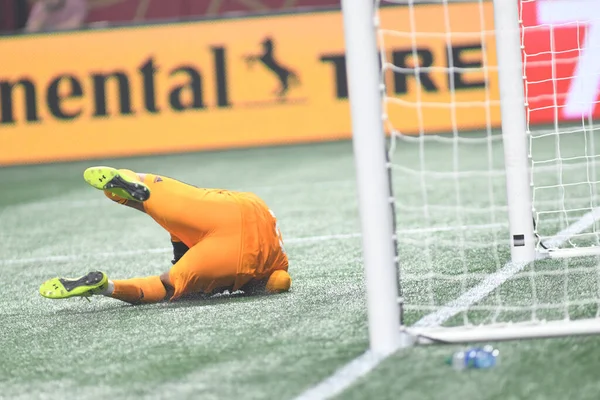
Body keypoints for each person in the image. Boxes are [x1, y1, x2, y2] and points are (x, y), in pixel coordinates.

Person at [39, 166, 291, 305]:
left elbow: (178, 232)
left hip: (245, 205)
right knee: (167, 286)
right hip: (235, 254)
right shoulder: (273, 267)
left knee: (150, 189)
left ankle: (127, 183)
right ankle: (106, 287)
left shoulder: (280, 259)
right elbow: (280, 282)